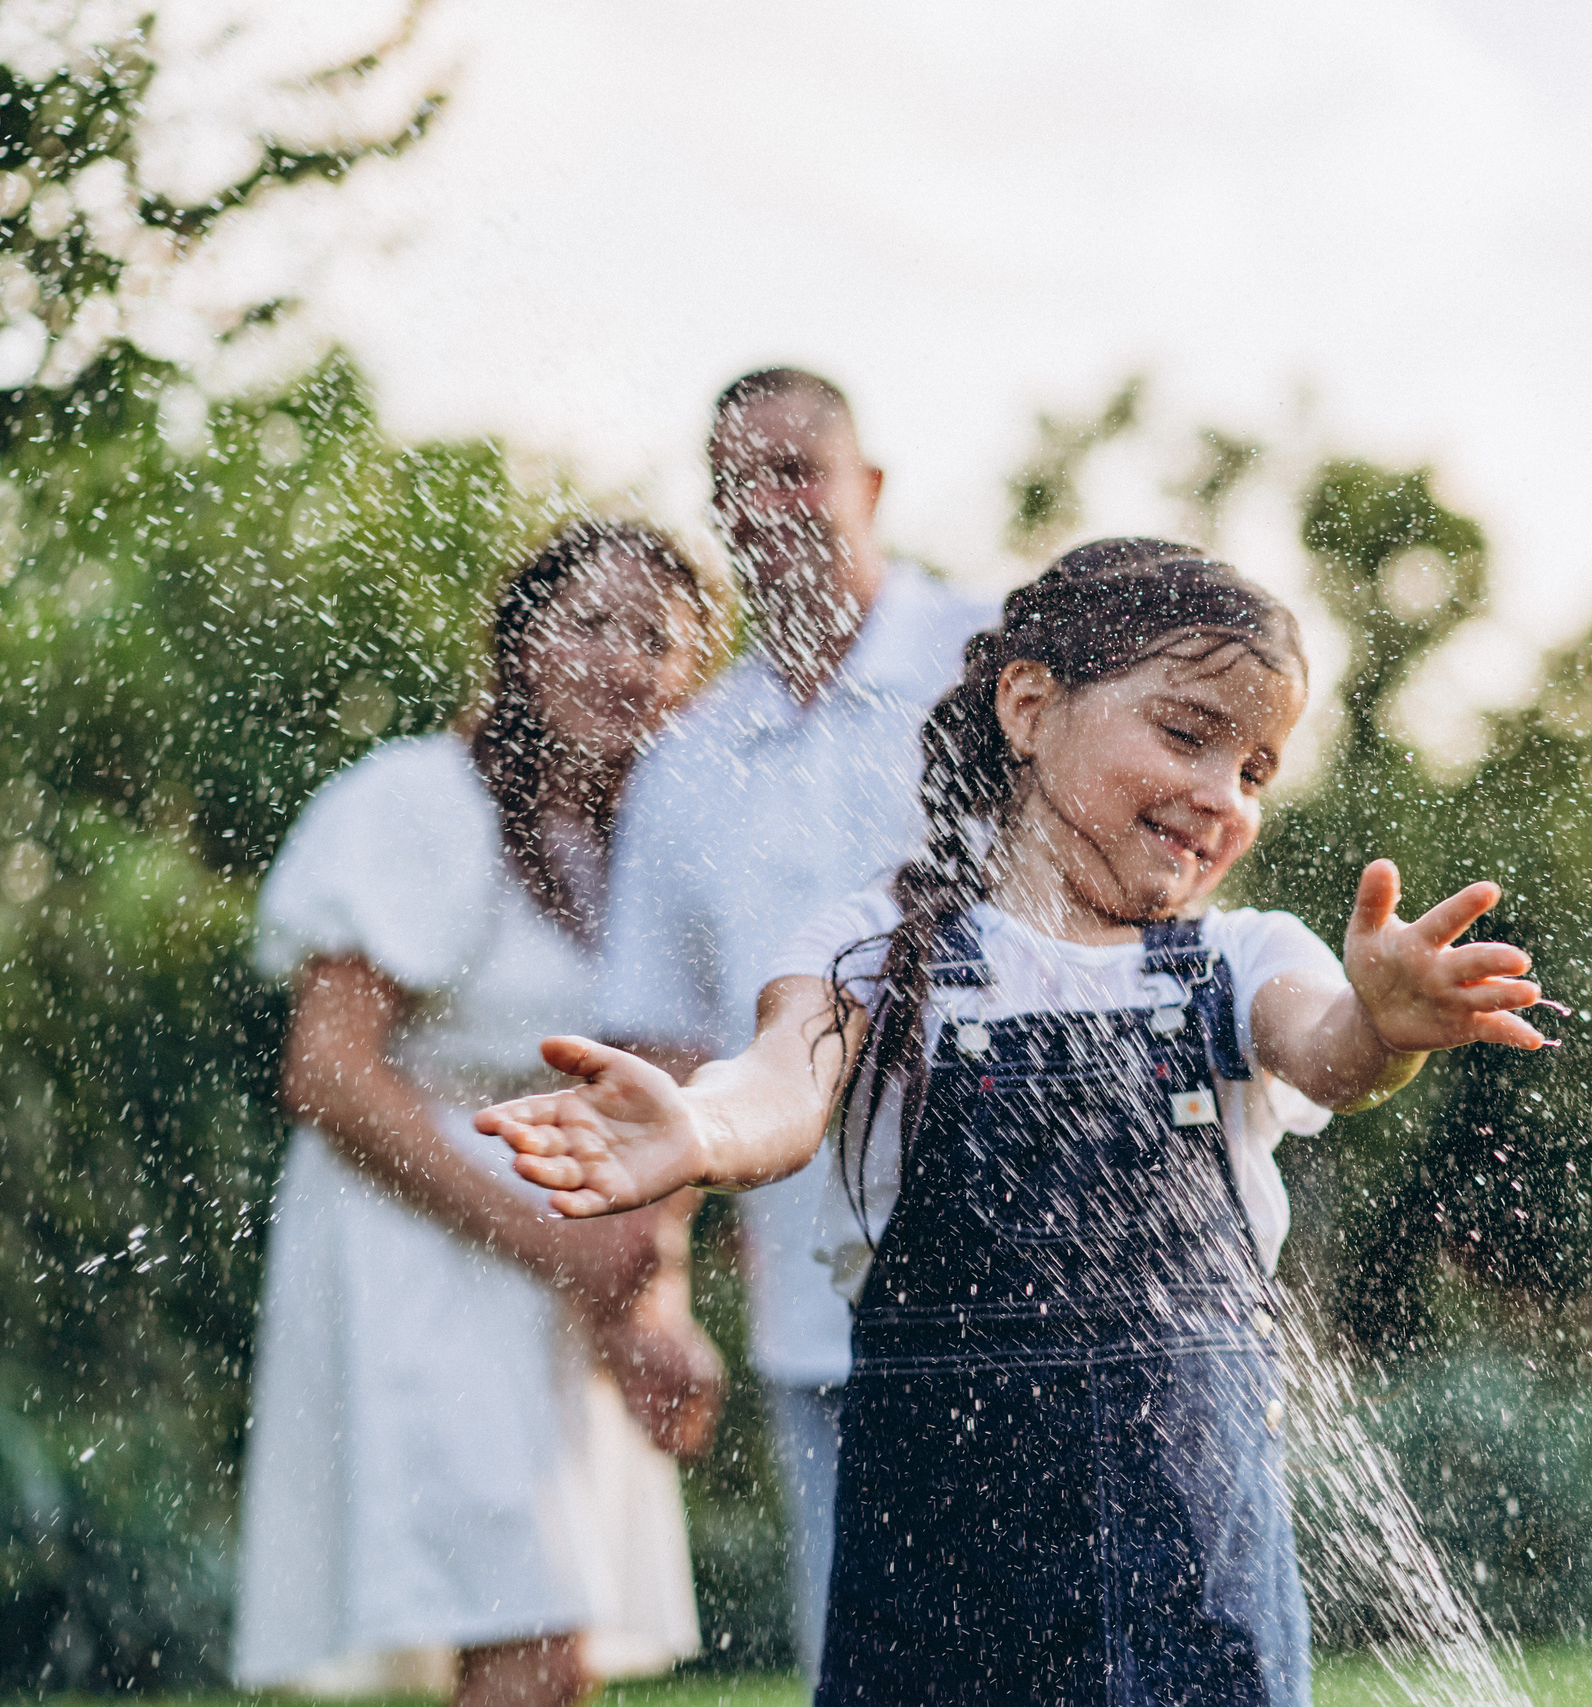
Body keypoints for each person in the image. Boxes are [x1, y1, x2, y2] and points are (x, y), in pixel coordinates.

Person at [481, 539, 1551, 1705]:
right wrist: (695, 1128)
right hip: (943, 1561)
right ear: (1031, 706)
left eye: (1255, 770)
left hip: (1191, 1551)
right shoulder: (878, 951)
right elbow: (782, 1084)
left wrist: (1383, 1026)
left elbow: (1326, 1052)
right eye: (1186, 735)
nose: (1219, 796)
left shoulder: (1240, 960)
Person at [233, 521, 723, 1706]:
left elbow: (666, 1092)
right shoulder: (416, 798)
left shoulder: (644, 848)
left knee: (561, 1657)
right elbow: (331, 1074)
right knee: (525, 1633)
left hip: (571, 1254)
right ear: (519, 643)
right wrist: (563, 1249)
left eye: (654, 639)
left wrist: (646, 1302)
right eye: (590, 623)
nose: (622, 660)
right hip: (425, 1245)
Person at [597, 367, 994, 1676]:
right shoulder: (684, 764)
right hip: (824, 1301)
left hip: (1043, 1283)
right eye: (739, 483)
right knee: (865, 1664)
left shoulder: (995, 661)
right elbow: (656, 1052)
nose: (768, 504)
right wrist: (650, 1287)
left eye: (795, 470)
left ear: (867, 487)